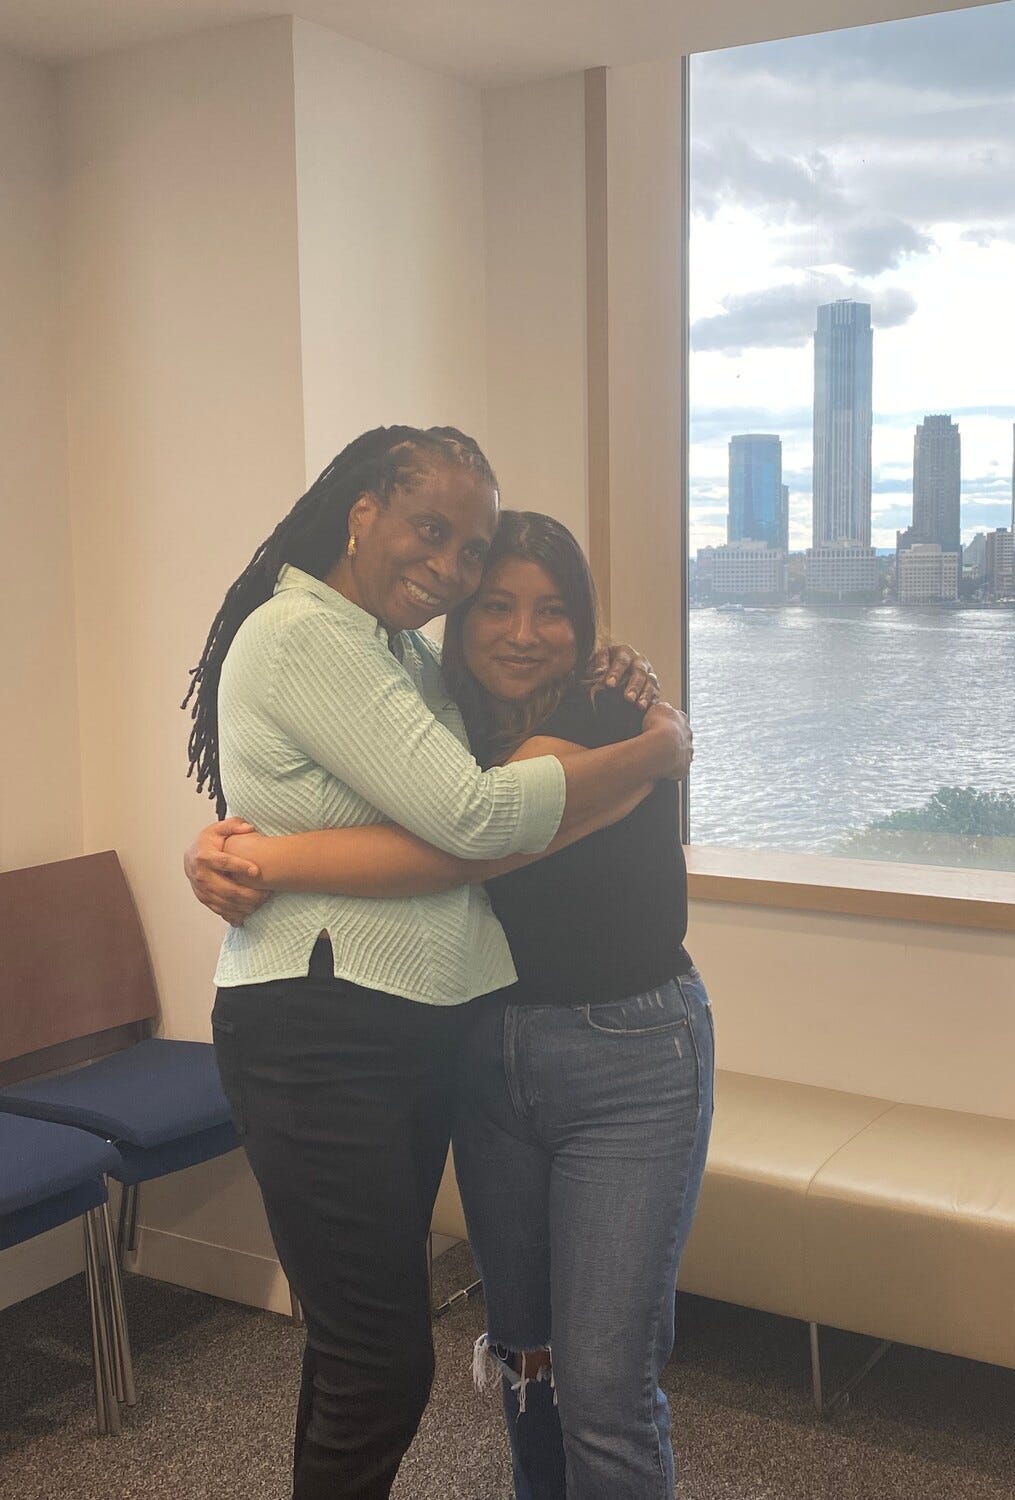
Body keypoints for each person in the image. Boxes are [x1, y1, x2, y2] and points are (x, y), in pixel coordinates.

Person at [182, 427, 691, 1500]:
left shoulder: (421, 659)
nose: (457, 576)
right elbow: (470, 819)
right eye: (440, 539)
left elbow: (456, 823)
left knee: (554, 1373)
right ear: (362, 511)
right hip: (355, 1036)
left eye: (478, 557)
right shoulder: (320, 640)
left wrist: (263, 851)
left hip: (492, 1041)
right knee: (405, 1360)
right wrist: (661, 751)